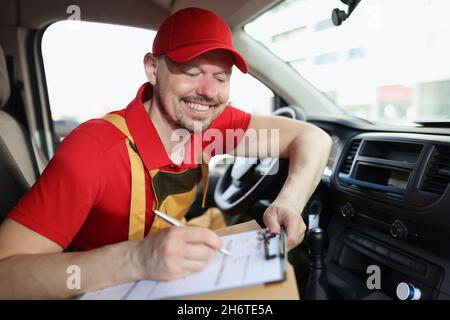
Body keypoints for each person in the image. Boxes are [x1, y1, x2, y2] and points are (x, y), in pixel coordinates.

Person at [0, 7, 332, 299]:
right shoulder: (93, 150)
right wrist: (136, 259)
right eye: (191, 73)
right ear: (152, 68)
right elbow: (4, 276)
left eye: (220, 77)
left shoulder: (211, 124)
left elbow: (312, 138)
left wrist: (289, 201)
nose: (208, 91)